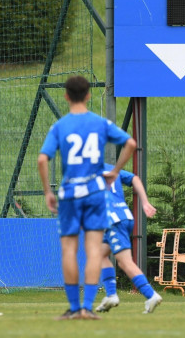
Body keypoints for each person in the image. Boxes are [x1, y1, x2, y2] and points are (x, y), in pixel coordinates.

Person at [37, 75, 136, 320]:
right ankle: (87, 308)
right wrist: (114, 171)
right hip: (94, 194)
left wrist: (48, 192)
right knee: (94, 251)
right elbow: (131, 143)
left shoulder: (60, 126)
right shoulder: (100, 123)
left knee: (69, 250)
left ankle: (73, 308)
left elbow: (42, 159)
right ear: (89, 95)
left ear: (66, 96)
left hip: (70, 193)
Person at [94, 163, 163, 314]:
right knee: (100, 254)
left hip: (113, 221)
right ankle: (111, 295)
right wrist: (145, 202)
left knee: (125, 262)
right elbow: (135, 179)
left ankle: (151, 295)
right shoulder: (110, 168)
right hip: (124, 217)